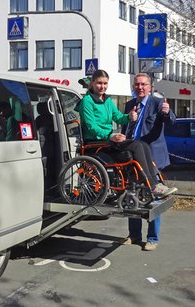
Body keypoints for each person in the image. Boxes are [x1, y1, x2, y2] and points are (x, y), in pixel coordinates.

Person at [74, 69, 176, 200]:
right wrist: (110, 135)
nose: (102, 86)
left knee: (142, 144)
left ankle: (155, 184)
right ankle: (152, 186)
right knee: (137, 146)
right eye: (99, 83)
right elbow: (90, 126)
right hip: (96, 141)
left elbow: (118, 117)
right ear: (93, 83)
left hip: (108, 140)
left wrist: (128, 117)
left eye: (105, 83)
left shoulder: (108, 100)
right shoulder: (87, 101)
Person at [121, 72, 177, 251]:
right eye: (137, 84)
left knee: (154, 197)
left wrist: (168, 113)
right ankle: (134, 234)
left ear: (150, 87)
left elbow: (171, 121)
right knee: (133, 195)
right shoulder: (130, 105)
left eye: (143, 84)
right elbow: (125, 128)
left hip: (152, 159)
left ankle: (152, 238)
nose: (140, 87)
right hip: (132, 160)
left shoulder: (157, 103)